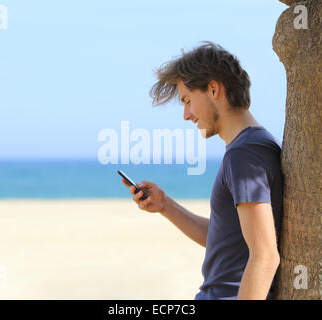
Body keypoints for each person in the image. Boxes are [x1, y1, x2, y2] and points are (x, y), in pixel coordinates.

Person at [121, 42, 283, 300]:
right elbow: (227, 241)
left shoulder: (245, 154)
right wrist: (166, 206)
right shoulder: (252, 146)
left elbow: (265, 256)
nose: (186, 115)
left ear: (213, 89)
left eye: (187, 100)